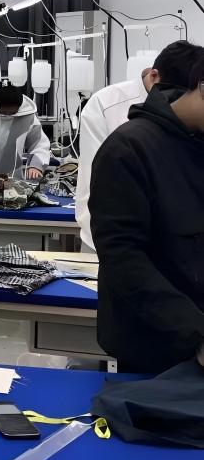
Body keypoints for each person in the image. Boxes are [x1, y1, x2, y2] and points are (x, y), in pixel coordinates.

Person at [91, 57, 204, 374]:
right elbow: (123, 257)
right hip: (154, 343)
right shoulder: (129, 149)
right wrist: (197, 332)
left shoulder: (197, 144)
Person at [77, 41, 204, 252]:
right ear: (153, 76)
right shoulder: (108, 107)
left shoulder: (194, 123)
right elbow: (94, 186)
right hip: (108, 242)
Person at [0, 81, 50, 179]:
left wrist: (36, 165)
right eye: (3, 112)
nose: (7, 115)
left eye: (12, 113)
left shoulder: (27, 117)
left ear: (19, 107)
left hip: (10, 178)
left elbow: (40, 144)